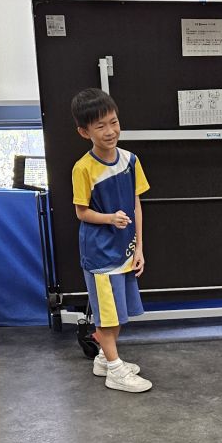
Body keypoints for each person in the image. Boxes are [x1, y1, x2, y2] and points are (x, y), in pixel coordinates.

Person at [71, 87, 152, 393]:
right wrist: (109, 218)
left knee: (119, 312)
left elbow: (136, 204)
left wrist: (139, 247)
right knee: (107, 316)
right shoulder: (83, 168)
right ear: (84, 132)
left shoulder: (131, 160)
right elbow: (81, 212)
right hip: (100, 253)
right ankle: (115, 370)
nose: (110, 131)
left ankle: (105, 359)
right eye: (100, 126)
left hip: (125, 250)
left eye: (114, 122)